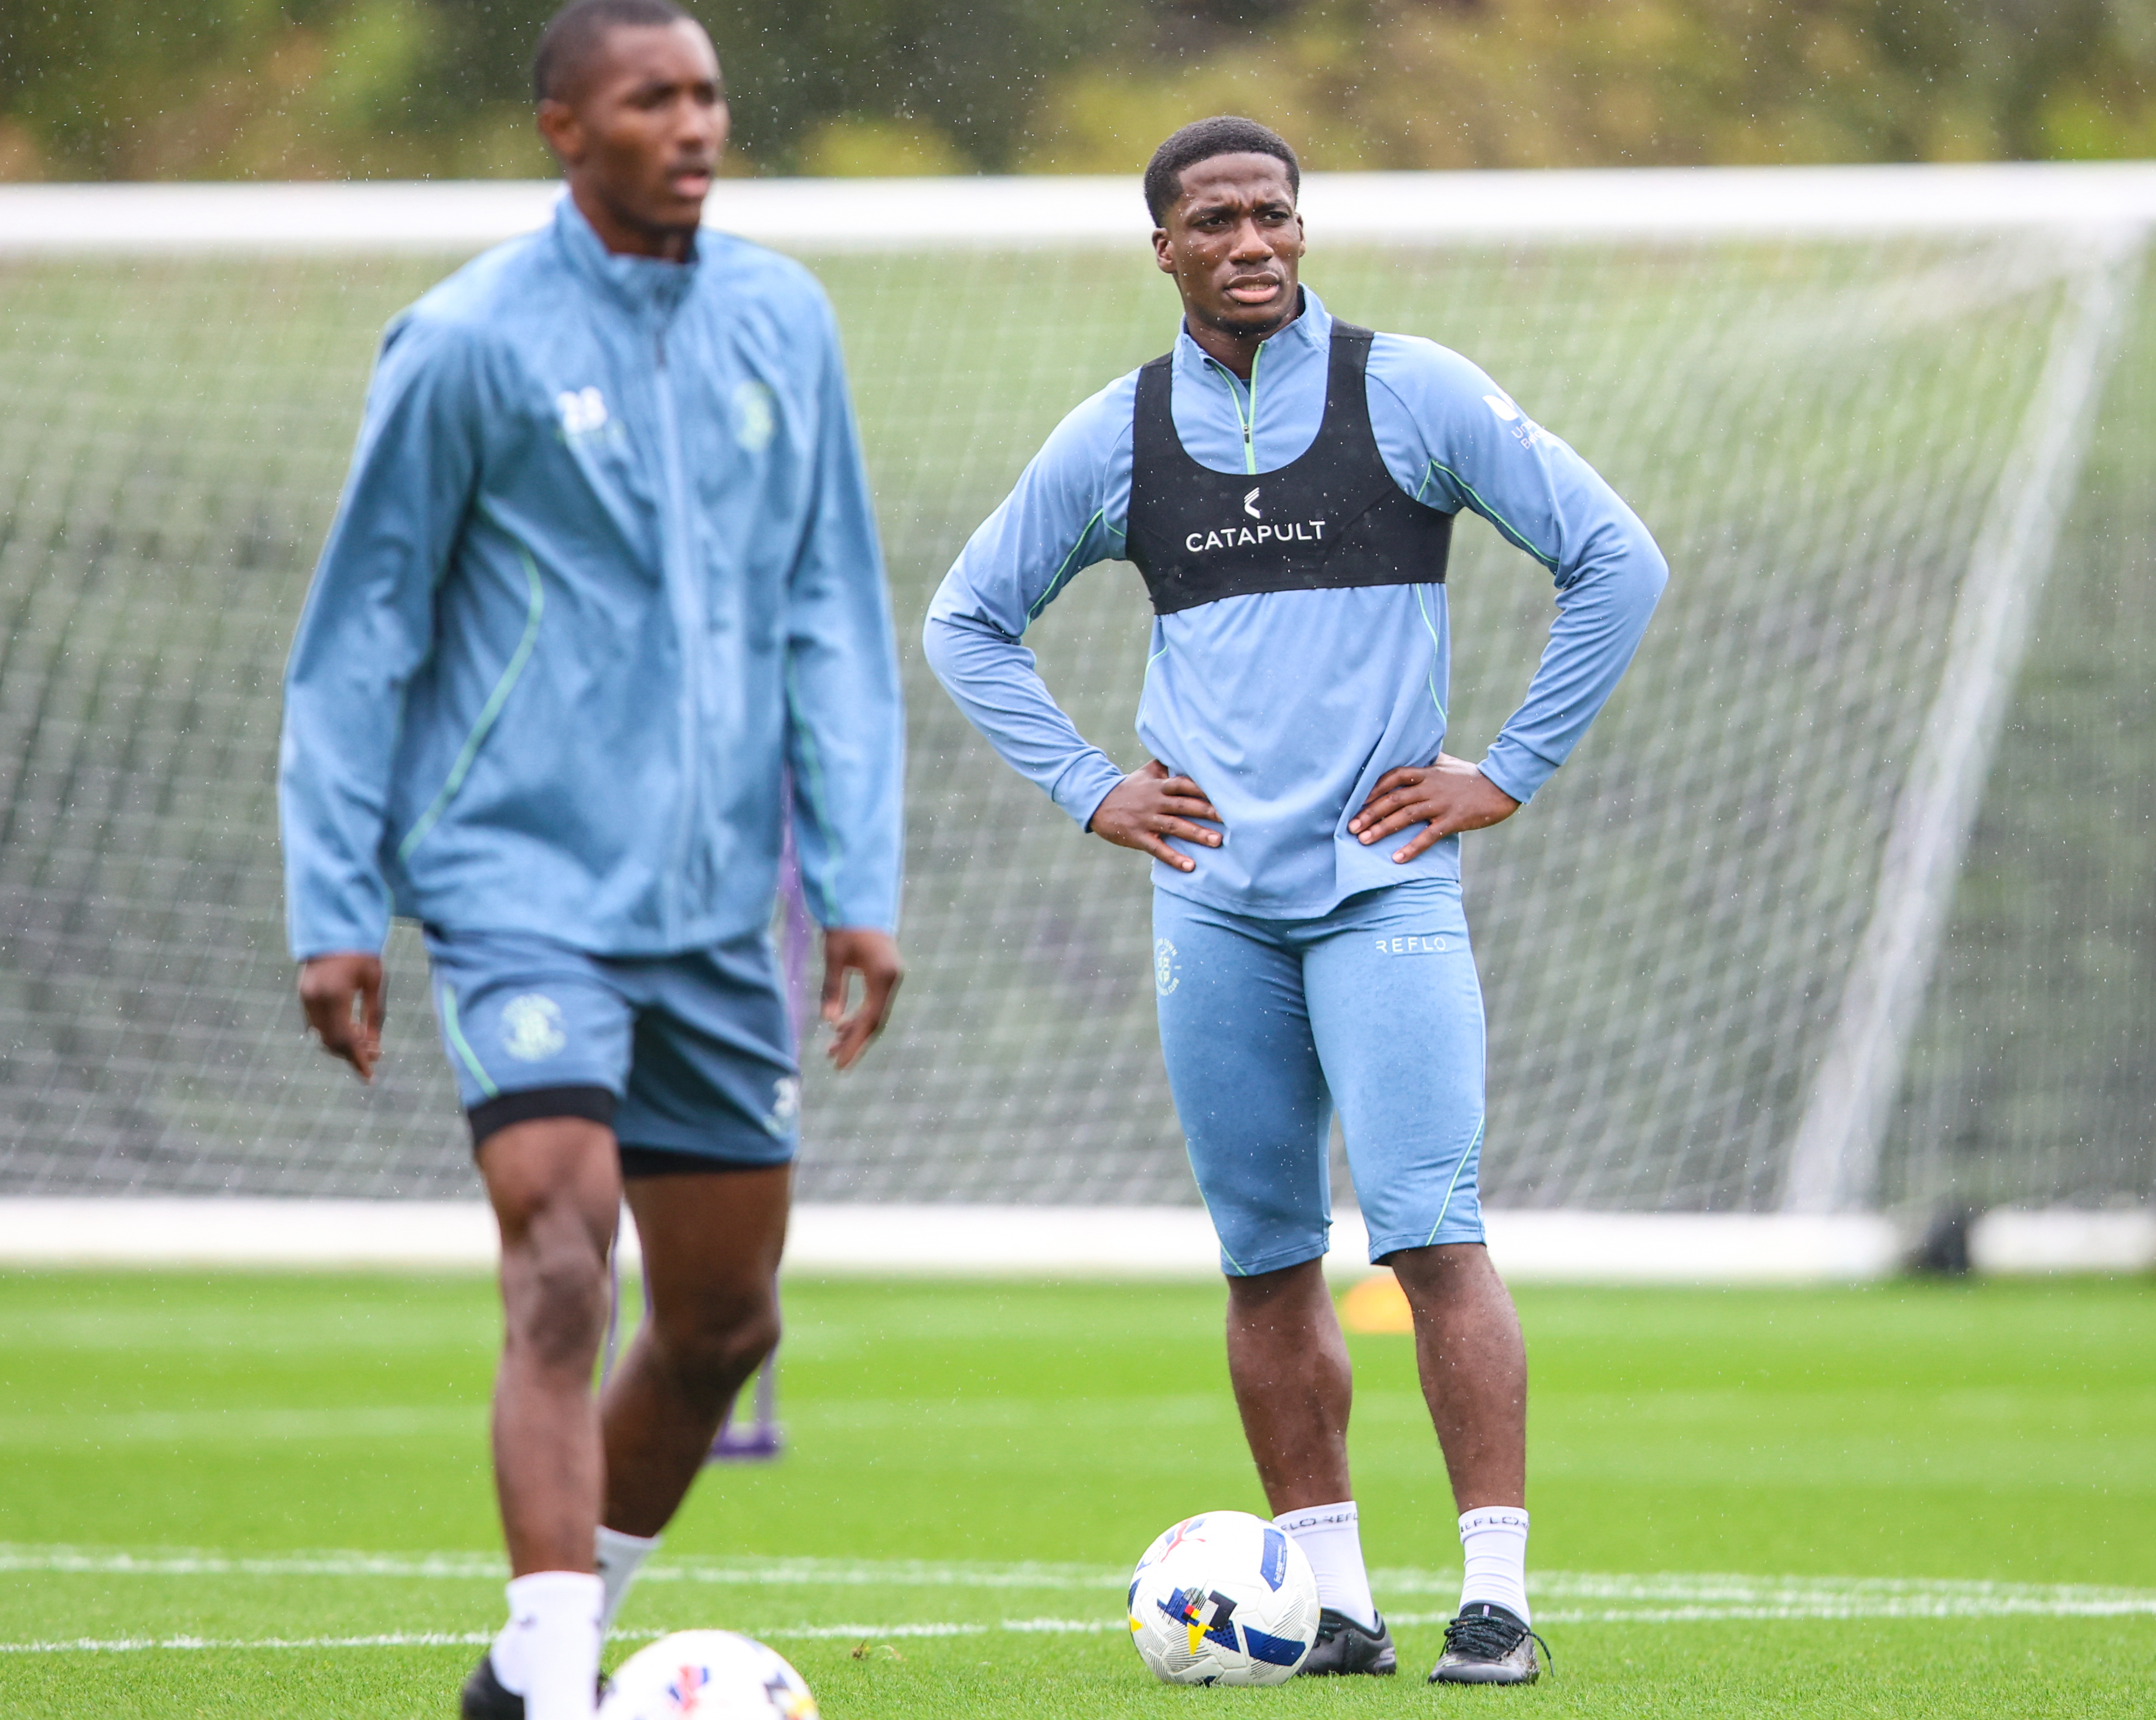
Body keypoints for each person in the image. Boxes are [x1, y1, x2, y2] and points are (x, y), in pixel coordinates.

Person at [923, 116, 1665, 1684]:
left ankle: (1497, 1602)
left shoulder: (1413, 392)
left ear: (1301, 231)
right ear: (1164, 251)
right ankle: (1330, 1604)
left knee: (1429, 1236)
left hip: (1385, 892)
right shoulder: (1116, 437)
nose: (1251, 241)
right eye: (1216, 222)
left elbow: (1617, 559)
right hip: (1210, 906)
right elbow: (966, 620)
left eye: (1274, 214)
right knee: (1262, 1258)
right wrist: (1091, 787)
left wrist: (1508, 768)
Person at [277, 3, 904, 1715]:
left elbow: (832, 616)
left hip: (716, 913)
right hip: (516, 890)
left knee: (720, 1329)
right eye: (652, 100)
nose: (693, 126)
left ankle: (518, 1670)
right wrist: (336, 901)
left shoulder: (784, 318)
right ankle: (562, 1681)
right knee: (561, 1257)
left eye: (707, 95)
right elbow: (360, 639)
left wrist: (857, 875)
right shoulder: (468, 342)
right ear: (566, 128)